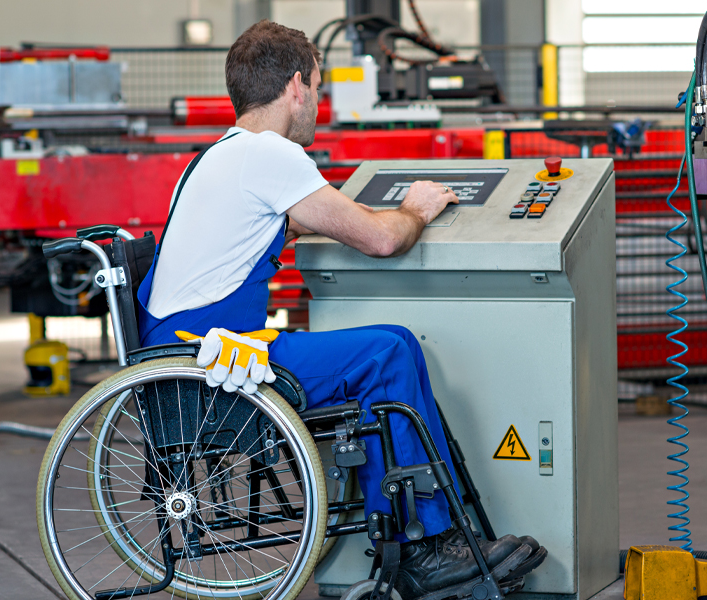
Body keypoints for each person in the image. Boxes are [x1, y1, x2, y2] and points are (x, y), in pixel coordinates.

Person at [134, 20, 543, 600]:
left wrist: (308, 221)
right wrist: (418, 208)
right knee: (385, 351)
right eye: (319, 90)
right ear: (297, 86)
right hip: (211, 368)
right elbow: (381, 240)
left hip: (186, 355)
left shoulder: (216, 157)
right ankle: (423, 544)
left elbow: (273, 223)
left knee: (391, 341)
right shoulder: (271, 154)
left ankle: (422, 532)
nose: (318, 105)